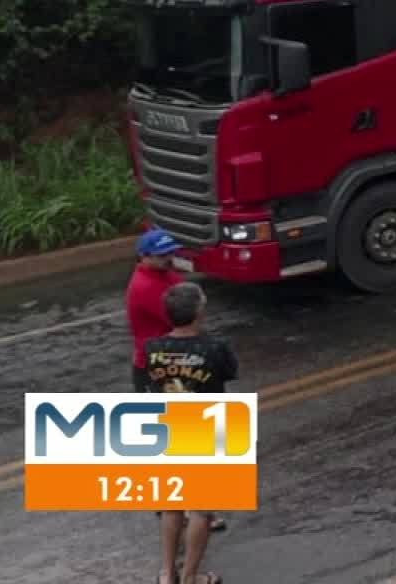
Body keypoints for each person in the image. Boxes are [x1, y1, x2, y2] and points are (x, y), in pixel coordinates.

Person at [144, 282, 238, 584]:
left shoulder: (153, 349)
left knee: (172, 505)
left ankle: (167, 573)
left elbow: (146, 384)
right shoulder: (214, 347)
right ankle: (190, 578)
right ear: (199, 312)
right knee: (200, 511)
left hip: (167, 427)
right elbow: (230, 372)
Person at [126, 229, 184, 392]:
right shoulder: (145, 286)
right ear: (144, 256)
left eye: (171, 252)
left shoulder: (165, 273)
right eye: (162, 255)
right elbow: (182, 318)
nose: (169, 258)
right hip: (154, 365)